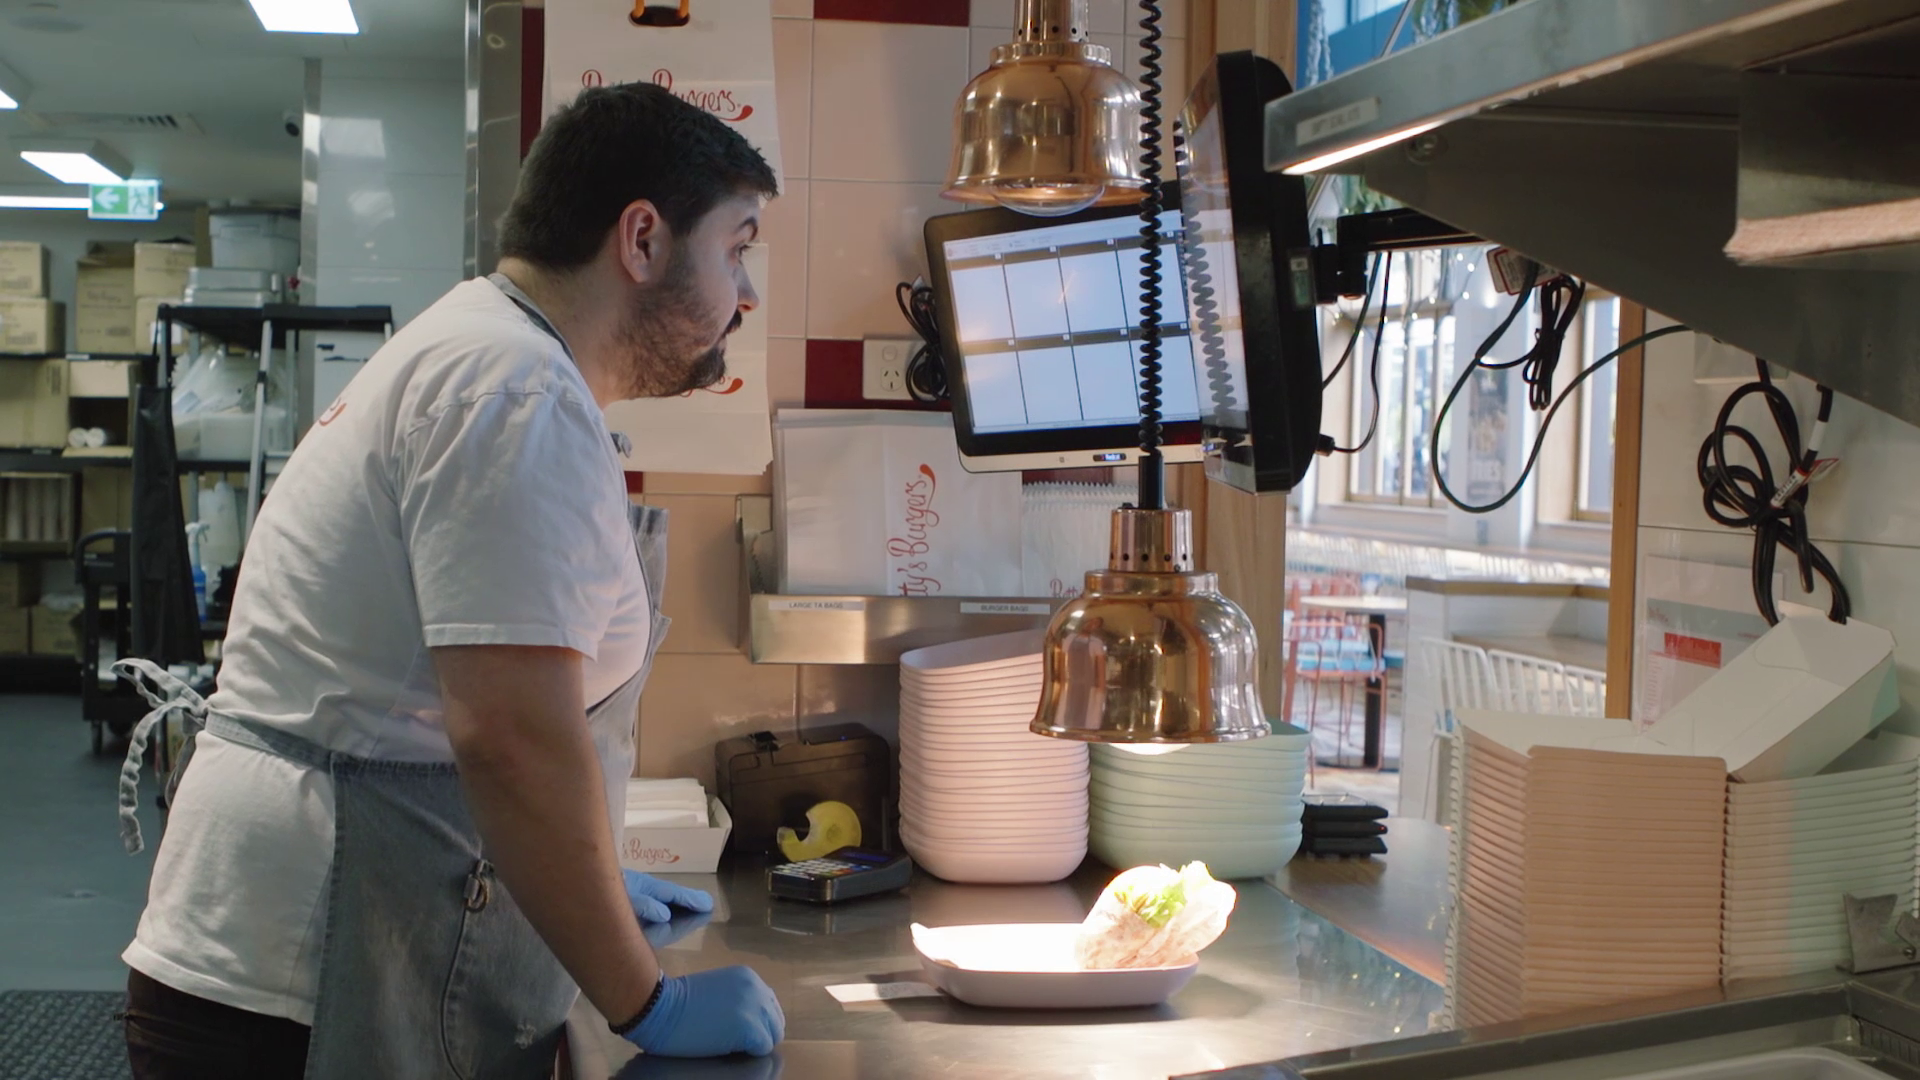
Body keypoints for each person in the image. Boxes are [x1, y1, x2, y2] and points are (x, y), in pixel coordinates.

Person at [115, 83, 786, 1079]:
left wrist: (577, 886)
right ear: (641, 240)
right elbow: (511, 734)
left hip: (318, 939)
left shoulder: (493, 356)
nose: (748, 293)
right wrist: (640, 993)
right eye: (736, 247)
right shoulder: (513, 391)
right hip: (305, 979)